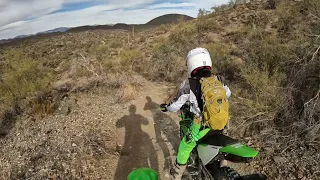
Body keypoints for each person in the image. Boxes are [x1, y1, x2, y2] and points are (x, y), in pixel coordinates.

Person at [160, 47, 232, 180]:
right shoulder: (219, 79)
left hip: (201, 127)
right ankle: (223, 163)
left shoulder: (188, 84)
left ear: (191, 64)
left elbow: (175, 106)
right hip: (222, 124)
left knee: (185, 146)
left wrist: (166, 108)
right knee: (222, 136)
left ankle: (176, 174)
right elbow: (228, 94)